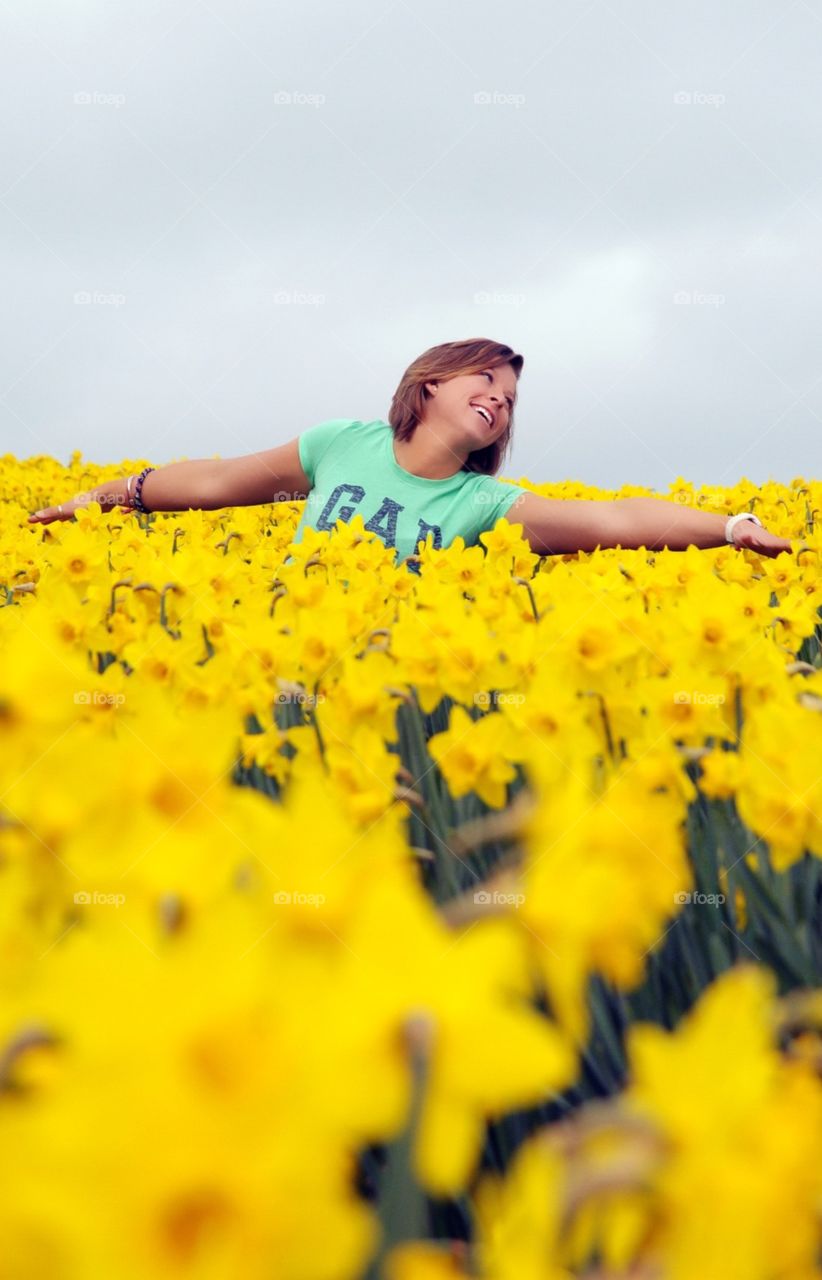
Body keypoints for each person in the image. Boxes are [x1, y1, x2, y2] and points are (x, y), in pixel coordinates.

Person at [27, 337, 793, 561]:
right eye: (485, 378)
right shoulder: (340, 445)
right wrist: (101, 498)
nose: (500, 397)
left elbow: (616, 519)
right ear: (428, 384)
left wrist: (729, 528)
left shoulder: (486, 506)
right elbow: (220, 478)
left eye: (511, 400)